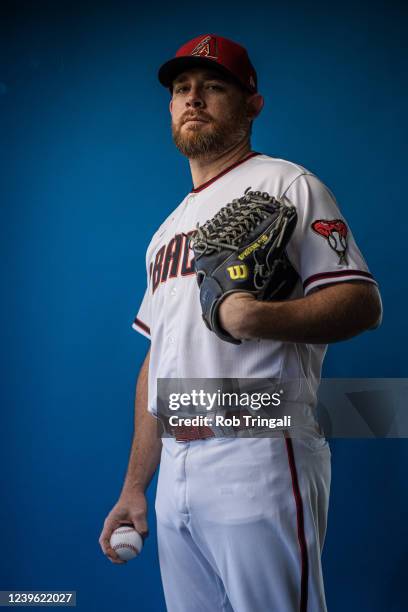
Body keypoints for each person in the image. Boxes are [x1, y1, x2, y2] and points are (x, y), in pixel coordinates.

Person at [99, 34, 382, 611]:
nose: (193, 99)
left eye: (213, 87)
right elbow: (158, 361)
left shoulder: (288, 185)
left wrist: (257, 315)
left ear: (251, 104)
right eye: (182, 89)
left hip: (259, 447)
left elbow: (360, 303)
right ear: (171, 107)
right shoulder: (166, 231)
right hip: (176, 466)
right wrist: (135, 486)